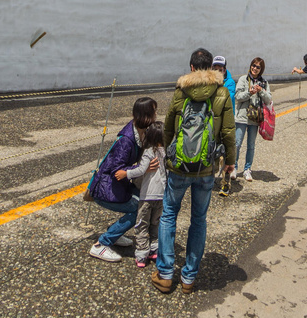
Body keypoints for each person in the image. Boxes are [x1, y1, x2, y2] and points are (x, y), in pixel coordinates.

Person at [153, 48, 235, 294]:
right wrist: (229, 161)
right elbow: (228, 132)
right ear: (211, 67)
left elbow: (168, 126)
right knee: (198, 219)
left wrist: (169, 154)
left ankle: (166, 274)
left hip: (178, 167)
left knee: (169, 215)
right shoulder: (221, 92)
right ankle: (188, 278)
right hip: (207, 167)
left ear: (191, 67)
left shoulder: (181, 91)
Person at [88, 96, 158, 263]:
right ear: (146, 116)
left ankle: (115, 232)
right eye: (154, 112)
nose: (156, 115)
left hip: (120, 185)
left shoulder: (141, 132)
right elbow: (116, 171)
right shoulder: (127, 140)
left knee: (144, 203)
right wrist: (143, 169)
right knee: (139, 209)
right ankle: (101, 244)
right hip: (105, 188)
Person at [117, 120, 166, 268]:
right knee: (156, 224)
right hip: (162, 196)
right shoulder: (167, 152)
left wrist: (126, 173)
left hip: (147, 196)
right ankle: (155, 250)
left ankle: (141, 254)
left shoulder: (149, 152)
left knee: (142, 225)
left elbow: (140, 170)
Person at [233, 57, 272, 180]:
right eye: (253, 65)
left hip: (255, 118)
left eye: (258, 67)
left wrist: (261, 91)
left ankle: (247, 169)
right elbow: (237, 97)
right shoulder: (243, 79)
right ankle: (233, 167)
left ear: (261, 69)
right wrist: (249, 92)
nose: (255, 68)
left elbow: (269, 99)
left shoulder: (264, 83)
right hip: (242, 117)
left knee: (251, 145)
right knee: (237, 143)